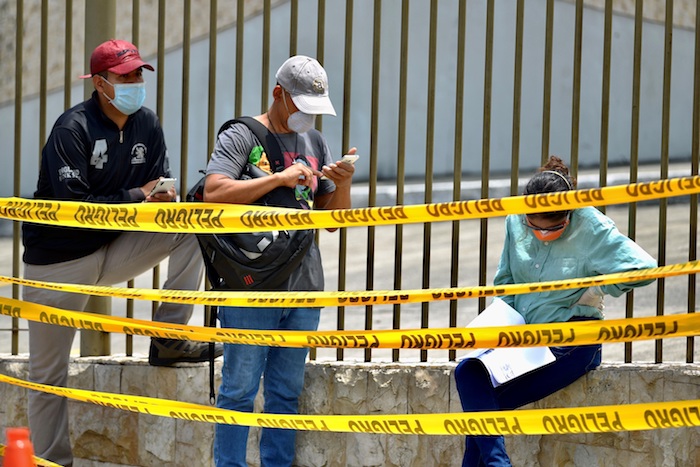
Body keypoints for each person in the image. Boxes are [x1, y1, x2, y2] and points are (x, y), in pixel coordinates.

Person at [21, 39, 222, 467]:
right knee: (48, 378)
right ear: (99, 83)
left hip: (113, 249)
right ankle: (52, 461)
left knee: (189, 228)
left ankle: (169, 338)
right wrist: (137, 196)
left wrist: (162, 203)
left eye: (138, 75)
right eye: (124, 76)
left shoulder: (146, 124)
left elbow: (157, 193)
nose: (135, 82)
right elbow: (78, 211)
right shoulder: (71, 129)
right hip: (58, 263)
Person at [454, 155, 658, 466]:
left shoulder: (592, 225)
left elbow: (643, 268)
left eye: (553, 229)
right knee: (467, 372)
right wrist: (495, 323)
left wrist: (598, 288)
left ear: (568, 215)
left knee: (483, 409)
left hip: (572, 341)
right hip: (523, 337)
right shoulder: (514, 220)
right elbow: (506, 280)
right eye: (533, 227)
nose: (541, 235)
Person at [203, 55, 355, 467]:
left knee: (286, 392)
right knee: (238, 390)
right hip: (252, 288)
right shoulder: (241, 135)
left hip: (305, 287)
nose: (307, 118)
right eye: (301, 107)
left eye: (314, 110)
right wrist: (278, 179)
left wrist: (342, 184)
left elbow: (332, 220)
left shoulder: (315, 142)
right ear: (278, 95)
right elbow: (213, 193)